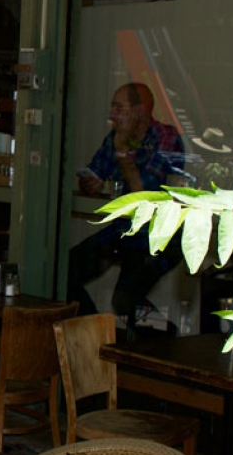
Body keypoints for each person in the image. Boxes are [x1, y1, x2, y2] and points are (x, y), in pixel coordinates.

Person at [68, 83, 185, 320]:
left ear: (140, 111)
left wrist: (122, 154)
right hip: (124, 231)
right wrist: (89, 182)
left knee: (124, 299)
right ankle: (98, 332)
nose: (112, 114)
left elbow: (144, 194)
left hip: (157, 237)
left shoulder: (166, 138)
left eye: (119, 108)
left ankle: (164, 342)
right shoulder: (115, 138)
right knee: (63, 273)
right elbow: (93, 172)